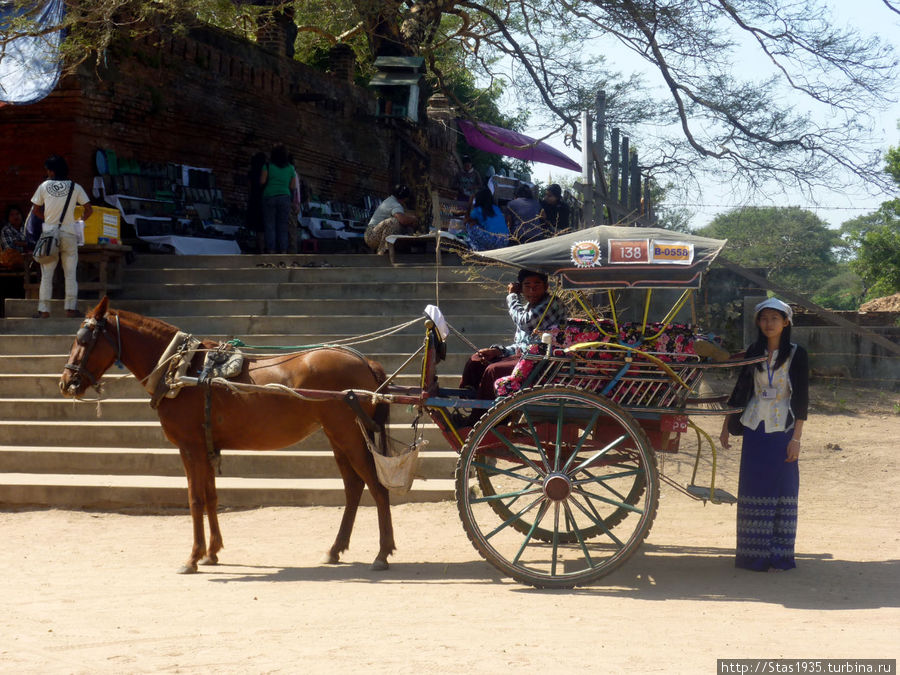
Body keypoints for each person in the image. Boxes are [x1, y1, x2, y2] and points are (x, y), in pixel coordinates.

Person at [720, 297, 809, 572]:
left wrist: (796, 439)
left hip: (782, 428)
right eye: (764, 318)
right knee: (753, 488)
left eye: (775, 318)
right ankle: (752, 556)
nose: (769, 323)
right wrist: (726, 424)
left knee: (783, 489)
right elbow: (742, 388)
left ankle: (779, 555)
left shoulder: (797, 353)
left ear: (786, 322)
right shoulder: (754, 351)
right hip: (755, 426)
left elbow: (802, 398)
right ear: (758, 322)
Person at [459, 268, 567, 405]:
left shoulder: (551, 304)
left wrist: (512, 297)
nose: (532, 291)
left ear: (546, 287)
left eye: (537, 285)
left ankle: (480, 418)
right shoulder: (529, 307)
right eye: (527, 286)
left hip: (542, 362)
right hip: (526, 356)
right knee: (477, 360)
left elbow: (525, 323)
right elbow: (522, 344)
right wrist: (499, 350)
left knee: (493, 371)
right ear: (521, 288)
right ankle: (469, 401)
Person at [30, 155, 92, 319]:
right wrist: (78, 221)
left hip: (49, 234)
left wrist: (50, 221)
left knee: (47, 274)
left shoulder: (44, 186)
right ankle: (70, 309)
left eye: (47, 170)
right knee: (70, 273)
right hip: (69, 233)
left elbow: (35, 210)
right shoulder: (75, 187)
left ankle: (44, 311)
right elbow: (89, 209)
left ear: (51, 170)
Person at [260, 145, 298, 254]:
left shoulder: (267, 166)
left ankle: (271, 251)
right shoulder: (291, 168)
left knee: (270, 225)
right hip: (284, 198)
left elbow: (262, 182)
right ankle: (283, 252)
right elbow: (293, 187)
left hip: (269, 196)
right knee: (283, 226)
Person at [364, 184, 418, 255]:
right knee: (393, 222)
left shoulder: (390, 200)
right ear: (405, 199)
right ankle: (383, 251)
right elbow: (403, 220)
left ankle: (402, 251)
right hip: (371, 235)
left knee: (407, 228)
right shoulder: (395, 204)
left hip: (374, 235)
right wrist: (414, 219)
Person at [246, 152, 266, 253]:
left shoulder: (251, 173)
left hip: (254, 201)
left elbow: (249, 190)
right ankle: (264, 250)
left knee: (257, 228)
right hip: (264, 201)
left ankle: (259, 249)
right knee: (263, 228)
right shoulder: (266, 173)